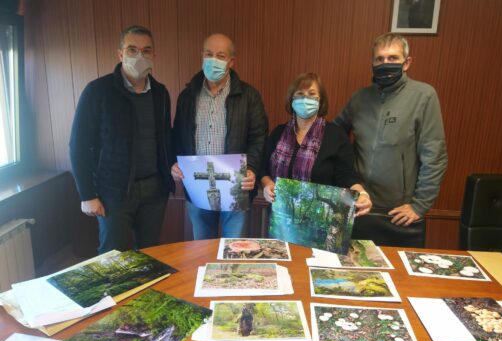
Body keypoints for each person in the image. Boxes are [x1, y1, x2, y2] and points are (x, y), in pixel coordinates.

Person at [69, 25, 175, 254]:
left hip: (155, 191)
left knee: (150, 255)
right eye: (132, 50)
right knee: (112, 257)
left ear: (154, 56)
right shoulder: (98, 91)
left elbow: (166, 138)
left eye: (146, 51)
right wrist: (87, 194)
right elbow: (78, 145)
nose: (140, 56)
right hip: (113, 193)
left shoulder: (160, 93)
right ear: (120, 54)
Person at [334, 32, 448, 227]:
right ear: (372, 63)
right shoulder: (359, 98)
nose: (385, 63)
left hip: (397, 211)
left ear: (406, 63)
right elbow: (333, 136)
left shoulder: (424, 96)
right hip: (358, 202)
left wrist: (420, 206)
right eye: (380, 59)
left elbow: (435, 156)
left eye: (393, 58)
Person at [171, 33, 268, 240]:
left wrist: (251, 168)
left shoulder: (249, 96)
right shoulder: (187, 96)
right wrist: (175, 163)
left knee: (232, 252)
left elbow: (259, 137)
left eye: (221, 55)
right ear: (202, 56)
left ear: (231, 62)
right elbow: (178, 135)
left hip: (235, 187)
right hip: (197, 187)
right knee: (201, 251)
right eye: (209, 54)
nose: (213, 60)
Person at [260, 72, 372, 217]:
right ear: (291, 99)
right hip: (280, 219)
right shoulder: (278, 133)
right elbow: (263, 170)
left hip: (320, 222)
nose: (305, 99)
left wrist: (362, 194)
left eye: (311, 94)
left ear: (320, 100)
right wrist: (267, 185)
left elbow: (347, 177)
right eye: (300, 94)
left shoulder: (336, 136)